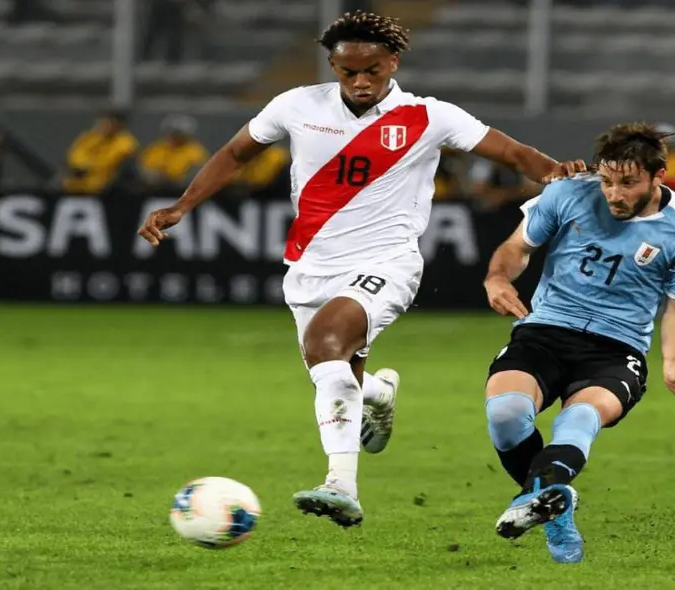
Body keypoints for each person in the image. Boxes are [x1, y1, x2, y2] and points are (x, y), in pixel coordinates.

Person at [136, 11, 585, 528]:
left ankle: (340, 485)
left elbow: (512, 153)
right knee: (335, 375)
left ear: (392, 62)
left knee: (327, 345)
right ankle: (377, 392)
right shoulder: (297, 104)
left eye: (372, 69)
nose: (360, 81)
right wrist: (181, 206)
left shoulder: (428, 116)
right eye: (348, 72)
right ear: (333, 65)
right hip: (308, 267)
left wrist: (557, 172)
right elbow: (237, 153)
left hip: (386, 262)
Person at [481, 123, 675, 563]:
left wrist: (673, 364)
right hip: (546, 330)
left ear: (657, 176)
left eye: (628, 183)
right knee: (506, 413)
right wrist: (497, 278)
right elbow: (518, 247)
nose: (613, 193)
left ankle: (543, 502)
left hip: (617, 347)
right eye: (607, 180)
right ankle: (555, 507)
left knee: (580, 418)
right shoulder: (569, 193)